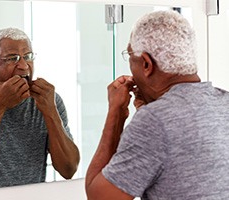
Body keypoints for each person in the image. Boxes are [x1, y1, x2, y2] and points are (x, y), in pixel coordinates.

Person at [85, 10, 229, 200]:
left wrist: (116, 113)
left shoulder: (154, 120)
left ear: (146, 64)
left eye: (129, 56)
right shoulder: (224, 102)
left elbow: (100, 197)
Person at [0, 27, 80, 191]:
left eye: (28, 57)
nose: (24, 66)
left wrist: (50, 111)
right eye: (13, 58)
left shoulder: (48, 100)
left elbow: (69, 170)